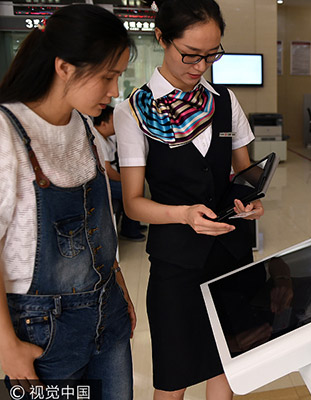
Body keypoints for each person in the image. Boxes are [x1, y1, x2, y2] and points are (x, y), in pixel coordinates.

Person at [114, 0, 263, 398]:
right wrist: (183, 214)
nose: (201, 67)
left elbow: (244, 170)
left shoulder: (225, 101)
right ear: (162, 38)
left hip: (231, 255)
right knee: (173, 374)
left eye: (211, 55)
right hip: (176, 264)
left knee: (229, 364)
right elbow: (133, 203)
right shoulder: (134, 112)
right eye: (191, 55)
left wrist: (253, 197)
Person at [0, 4, 136, 399]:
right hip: (42, 333)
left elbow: (99, 225)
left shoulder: (84, 125)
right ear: (63, 67)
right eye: (107, 76)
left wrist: (118, 286)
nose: (115, 91)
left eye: (118, 76)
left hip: (108, 312)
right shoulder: (7, 132)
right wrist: (8, 349)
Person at [94, 106, 146, 241]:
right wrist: (126, 181)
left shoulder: (108, 138)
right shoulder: (97, 139)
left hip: (110, 178)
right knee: (129, 190)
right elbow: (108, 171)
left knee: (136, 187)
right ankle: (130, 230)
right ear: (103, 123)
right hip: (103, 181)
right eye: (113, 121)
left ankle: (134, 223)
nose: (117, 124)